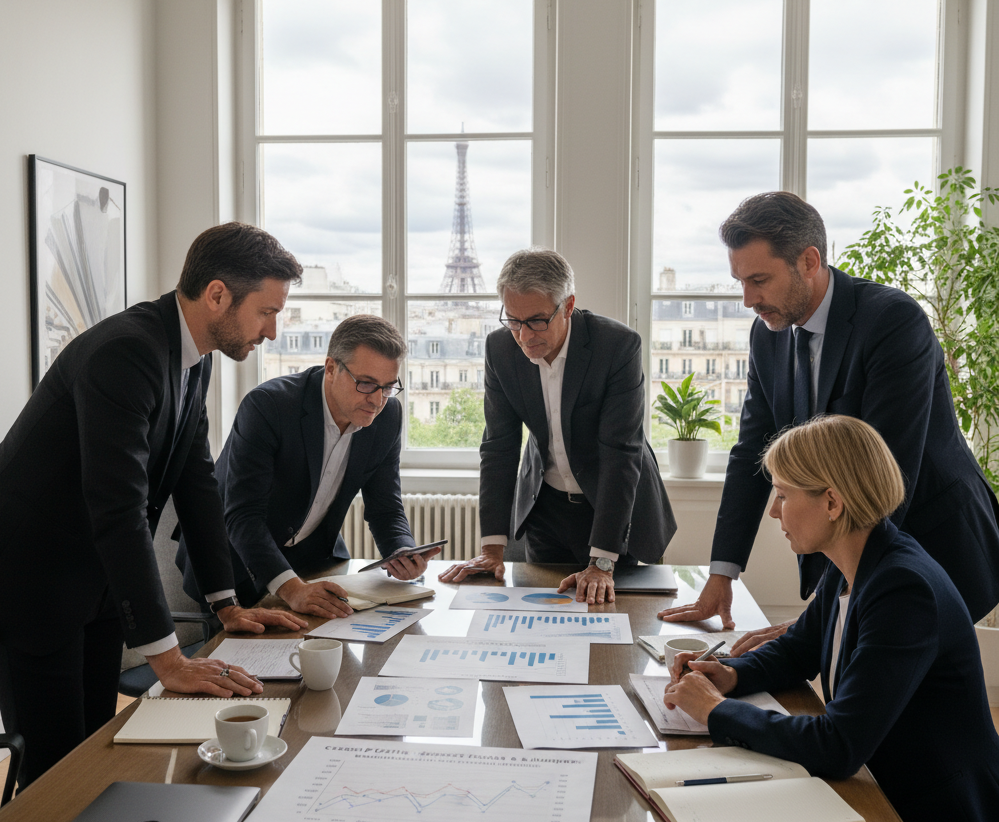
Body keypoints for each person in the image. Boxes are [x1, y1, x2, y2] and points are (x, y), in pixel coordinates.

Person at [0, 222, 308, 786]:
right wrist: (169, 658)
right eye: (267, 311)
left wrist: (225, 603)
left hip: (93, 575)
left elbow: (197, 481)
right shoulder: (128, 351)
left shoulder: (193, 357)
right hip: (25, 576)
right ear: (218, 295)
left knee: (91, 749)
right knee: (54, 769)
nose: (272, 332)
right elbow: (119, 507)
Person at [663, 415, 999, 822]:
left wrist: (714, 710)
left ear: (833, 502)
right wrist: (731, 674)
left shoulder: (904, 589)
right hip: (882, 791)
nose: (774, 511)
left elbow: (840, 744)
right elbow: (800, 646)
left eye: (782, 494)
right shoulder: (856, 561)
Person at [659, 191, 999, 649]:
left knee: (907, 706)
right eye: (740, 280)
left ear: (809, 260)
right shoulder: (769, 334)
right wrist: (723, 575)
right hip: (859, 553)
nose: (747, 299)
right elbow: (750, 454)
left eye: (759, 279)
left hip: (932, 544)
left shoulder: (892, 321)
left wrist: (825, 612)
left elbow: (887, 476)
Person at [440, 248, 676, 603]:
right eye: (513, 321)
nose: (524, 336)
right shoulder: (500, 349)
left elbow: (620, 452)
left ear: (567, 306)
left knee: (617, 622)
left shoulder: (617, 345)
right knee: (544, 619)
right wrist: (492, 547)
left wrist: (601, 561)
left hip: (614, 508)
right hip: (545, 509)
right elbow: (498, 447)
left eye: (536, 320)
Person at [179, 315, 439, 616]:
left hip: (313, 562)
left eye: (388, 387)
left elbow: (385, 507)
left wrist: (400, 551)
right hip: (233, 566)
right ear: (331, 368)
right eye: (366, 384)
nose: (378, 400)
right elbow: (242, 516)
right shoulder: (269, 406)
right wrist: (291, 589)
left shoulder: (387, 417)